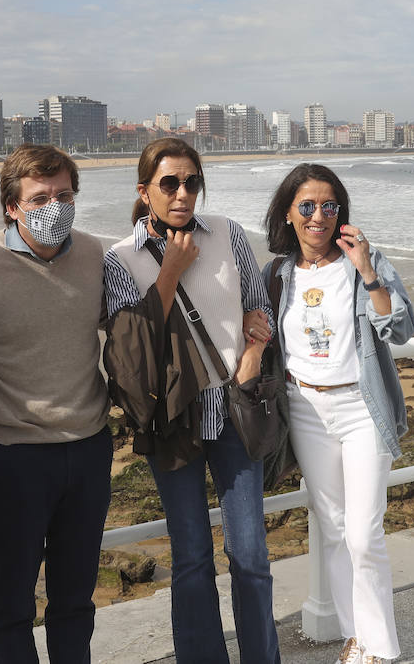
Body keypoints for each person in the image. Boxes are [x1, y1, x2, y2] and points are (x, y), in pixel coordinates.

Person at [103, 137, 280, 663]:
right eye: (169, 183)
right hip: (170, 419)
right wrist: (171, 272)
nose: (183, 193)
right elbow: (129, 343)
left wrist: (254, 349)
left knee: (249, 553)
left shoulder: (228, 233)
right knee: (193, 557)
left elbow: (258, 304)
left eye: (192, 182)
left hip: (233, 410)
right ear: (145, 190)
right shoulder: (120, 259)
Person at [0, 144, 112, 662]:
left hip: (89, 448)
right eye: (40, 197)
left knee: (75, 597)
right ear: (12, 207)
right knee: (12, 601)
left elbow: (136, 331)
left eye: (64, 194)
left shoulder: (94, 256)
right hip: (13, 457)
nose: (55, 205)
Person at [261, 164, 414, 664]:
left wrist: (369, 272)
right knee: (330, 525)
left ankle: (382, 650)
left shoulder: (360, 263)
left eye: (330, 206)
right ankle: (358, 639)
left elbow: (403, 328)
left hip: (360, 407)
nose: (319, 216)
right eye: (307, 206)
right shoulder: (278, 273)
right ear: (289, 212)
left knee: (363, 533)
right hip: (305, 408)